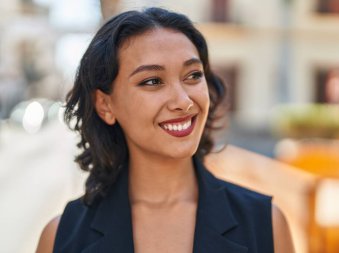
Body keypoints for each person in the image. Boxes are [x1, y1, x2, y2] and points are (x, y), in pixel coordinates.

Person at [36, 7, 294, 253]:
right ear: (105, 105)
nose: (184, 101)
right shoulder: (61, 237)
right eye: (152, 81)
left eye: (193, 75)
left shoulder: (266, 223)